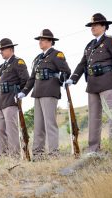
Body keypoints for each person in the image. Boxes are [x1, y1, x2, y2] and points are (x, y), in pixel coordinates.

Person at [65, 13, 112, 153]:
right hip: (92, 84)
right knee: (94, 118)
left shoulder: (111, 41)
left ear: (104, 26)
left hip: (108, 82)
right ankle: (93, 149)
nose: (92, 27)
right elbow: (82, 64)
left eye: (95, 25)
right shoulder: (89, 46)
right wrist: (73, 79)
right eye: (91, 25)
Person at [17, 29, 71, 161]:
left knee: (50, 124)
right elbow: (32, 78)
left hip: (50, 91)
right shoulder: (38, 58)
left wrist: (62, 81)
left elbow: (66, 71)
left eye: (42, 39)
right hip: (38, 92)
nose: (40, 42)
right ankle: (38, 154)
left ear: (50, 41)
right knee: (38, 125)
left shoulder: (56, 55)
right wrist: (24, 92)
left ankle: (53, 153)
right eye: (39, 40)